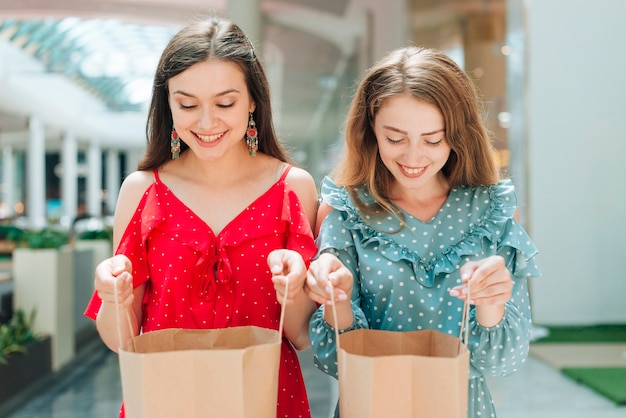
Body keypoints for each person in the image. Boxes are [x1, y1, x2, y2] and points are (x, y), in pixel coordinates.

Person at [84, 17, 319, 418]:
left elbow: (299, 335)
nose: (206, 122)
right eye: (187, 105)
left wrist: (294, 287)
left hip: (265, 399)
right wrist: (113, 297)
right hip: (165, 399)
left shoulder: (292, 187)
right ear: (168, 104)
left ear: (252, 102)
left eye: (224, 103)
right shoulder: (142, 190)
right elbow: (121, 339)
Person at [303, 46, 541, 417]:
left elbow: (505, 363)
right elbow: (335, 362)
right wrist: (339, 303)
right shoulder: (345, 208)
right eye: (395, 138)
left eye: (433, 140)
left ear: (458, 134)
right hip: (371, 404)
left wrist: (492, 305)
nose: (413, 158)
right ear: (370, 131)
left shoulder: (492, 211)